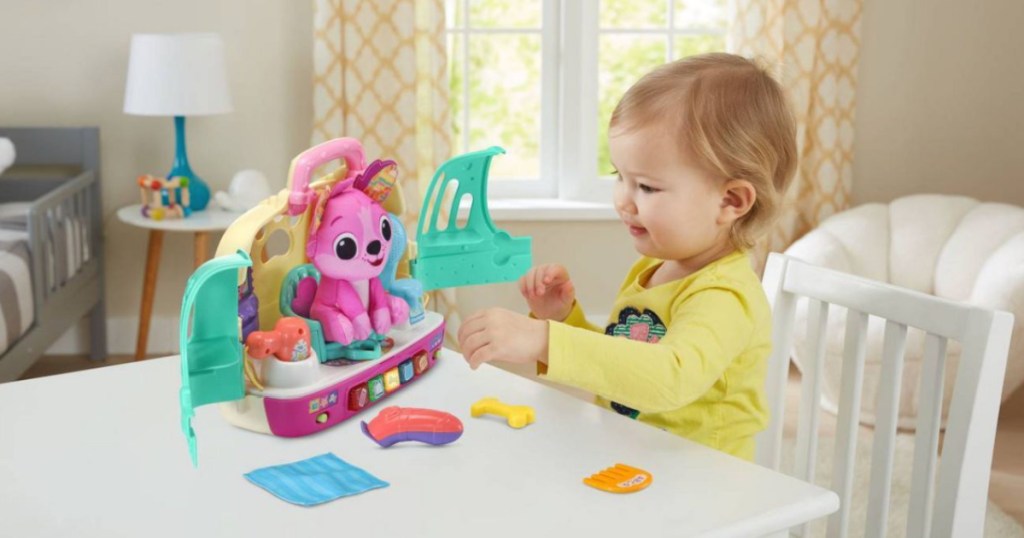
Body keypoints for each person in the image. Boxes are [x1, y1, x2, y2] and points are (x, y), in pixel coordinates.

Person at [457, 53, 797, 460]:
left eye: (647, 187)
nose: (622, 200)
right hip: (633, 456)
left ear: (730, 200)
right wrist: (563, 320)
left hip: (704, 484)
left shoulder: (725, 296)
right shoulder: (655, 269)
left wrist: (542, 340)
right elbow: (627, 362)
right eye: (621, 177)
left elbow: (667, 377)